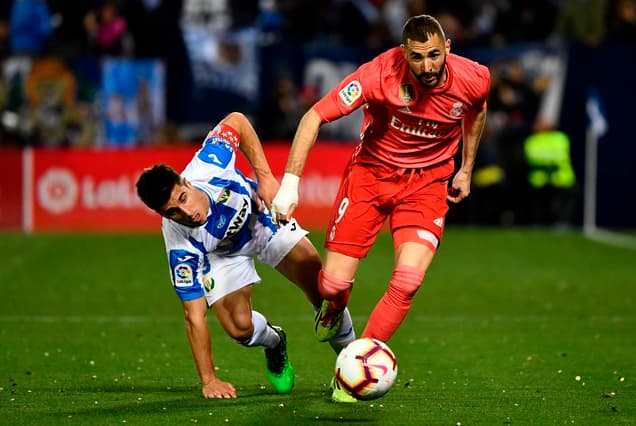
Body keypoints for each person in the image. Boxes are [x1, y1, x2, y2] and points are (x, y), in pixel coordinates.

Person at [271, 14, 490, 396]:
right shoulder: (377, 75)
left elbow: (477, 110)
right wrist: (290, 184)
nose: (427, 66)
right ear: (404, 53)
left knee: (408, 281)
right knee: (333, 286)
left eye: (434, 55)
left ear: (448, 49)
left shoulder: (474, 77)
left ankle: (353, 370)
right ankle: (334, 306)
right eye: (417, 57)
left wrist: (466, 168)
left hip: (427, 184)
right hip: (371, 178)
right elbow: (314, 116)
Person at [136, 112, 355, 399]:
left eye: (182, 199)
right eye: (172, 212)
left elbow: (237, 121)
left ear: (186, 183)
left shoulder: (209, 164)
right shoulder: (180, 245)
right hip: (221, 256)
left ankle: (352, 369)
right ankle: (275, 342)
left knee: (323, 291)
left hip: (261, 222)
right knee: (240, 329)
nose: (187, 213)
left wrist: (264, 177)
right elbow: (194, 316)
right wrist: (208, 380)